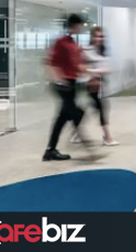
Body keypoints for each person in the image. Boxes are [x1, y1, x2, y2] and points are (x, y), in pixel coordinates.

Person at [43, 14, 88, 161]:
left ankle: (50, 150)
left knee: (62, 118)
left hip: (72, 83)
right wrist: (59, 80)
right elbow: (51, 63)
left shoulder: (72, 42)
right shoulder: (61, 42)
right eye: (80, 25)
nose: (81, 28)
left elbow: (76, 65)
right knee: (76, 113)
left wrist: (89, 72)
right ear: (75, 25)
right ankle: (83, 140)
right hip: (64, 84)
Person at [82, 27, 119, 146]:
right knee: (103, 107)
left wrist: (101, 71)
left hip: (101, 83)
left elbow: (108, 68)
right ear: (92, 37)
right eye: (97, 36)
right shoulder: (86, 50)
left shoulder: (102, 51)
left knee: (94, 108)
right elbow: (83, 68)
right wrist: (97, 71)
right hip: (91, 84)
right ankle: (108, 137)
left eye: (101, 36)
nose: (99, 38)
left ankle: (76, 132)